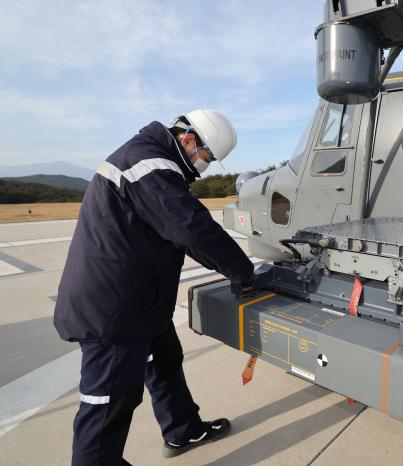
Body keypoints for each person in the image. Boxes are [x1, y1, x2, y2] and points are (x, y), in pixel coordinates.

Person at [54, 109, 255, 465]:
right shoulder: (150, 166)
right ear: (189, 140)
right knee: (108, 404)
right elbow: (191, 228)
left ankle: (183, 429)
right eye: (207, 158)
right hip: (113, 310)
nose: (204, 166)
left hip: (141, 301)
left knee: (164, 363)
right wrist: (243, 272)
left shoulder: (147, 157)